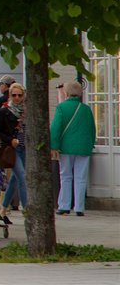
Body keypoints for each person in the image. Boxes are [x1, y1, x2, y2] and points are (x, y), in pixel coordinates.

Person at [51, 81, 96, 217]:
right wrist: (90, 143)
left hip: (66, 147)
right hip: (83, 147)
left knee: (65, 176)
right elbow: (92, 129)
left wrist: (54, 146)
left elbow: (55, 128)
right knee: (81, 177)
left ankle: (64, 205)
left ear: (66, 92)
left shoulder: (61, 107)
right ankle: (79, 207)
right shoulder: (86, 109)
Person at [0, 83, 27, 224]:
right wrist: (10, 140)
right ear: (10, 95)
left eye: (19, 95)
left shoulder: (27, 111)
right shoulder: (5, 111)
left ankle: (2, 208)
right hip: (13, 149)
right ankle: (27, 210)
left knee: (15, 179)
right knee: (22, 177)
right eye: (14, 95)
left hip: (25, 148)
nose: (16, 98)